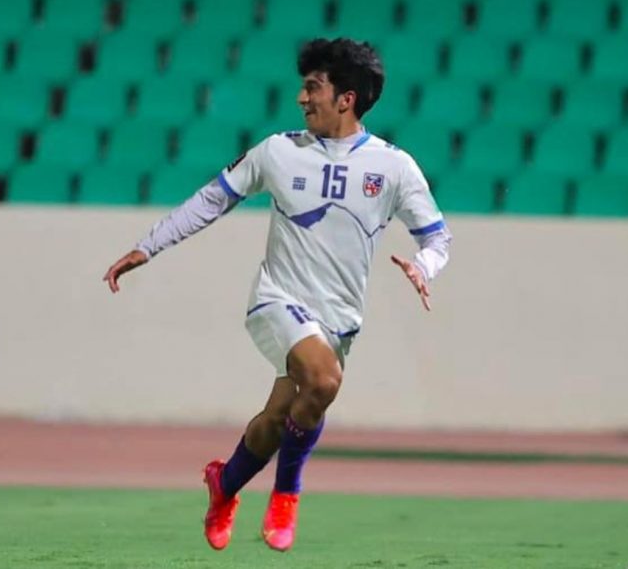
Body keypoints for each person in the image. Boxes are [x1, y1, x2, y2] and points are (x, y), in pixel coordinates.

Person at [103, 38, 452, 552]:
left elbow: (437, 237)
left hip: (339, 319)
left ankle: (225, 484)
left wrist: (425, 266)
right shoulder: (278, 151)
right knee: (324, 379)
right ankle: (287, 494)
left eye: (313, 87)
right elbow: (212, 199)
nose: (301, 98)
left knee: (277, 420)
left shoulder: (393, 167)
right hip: (277, 300)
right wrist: (148, 246)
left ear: (346, 98)